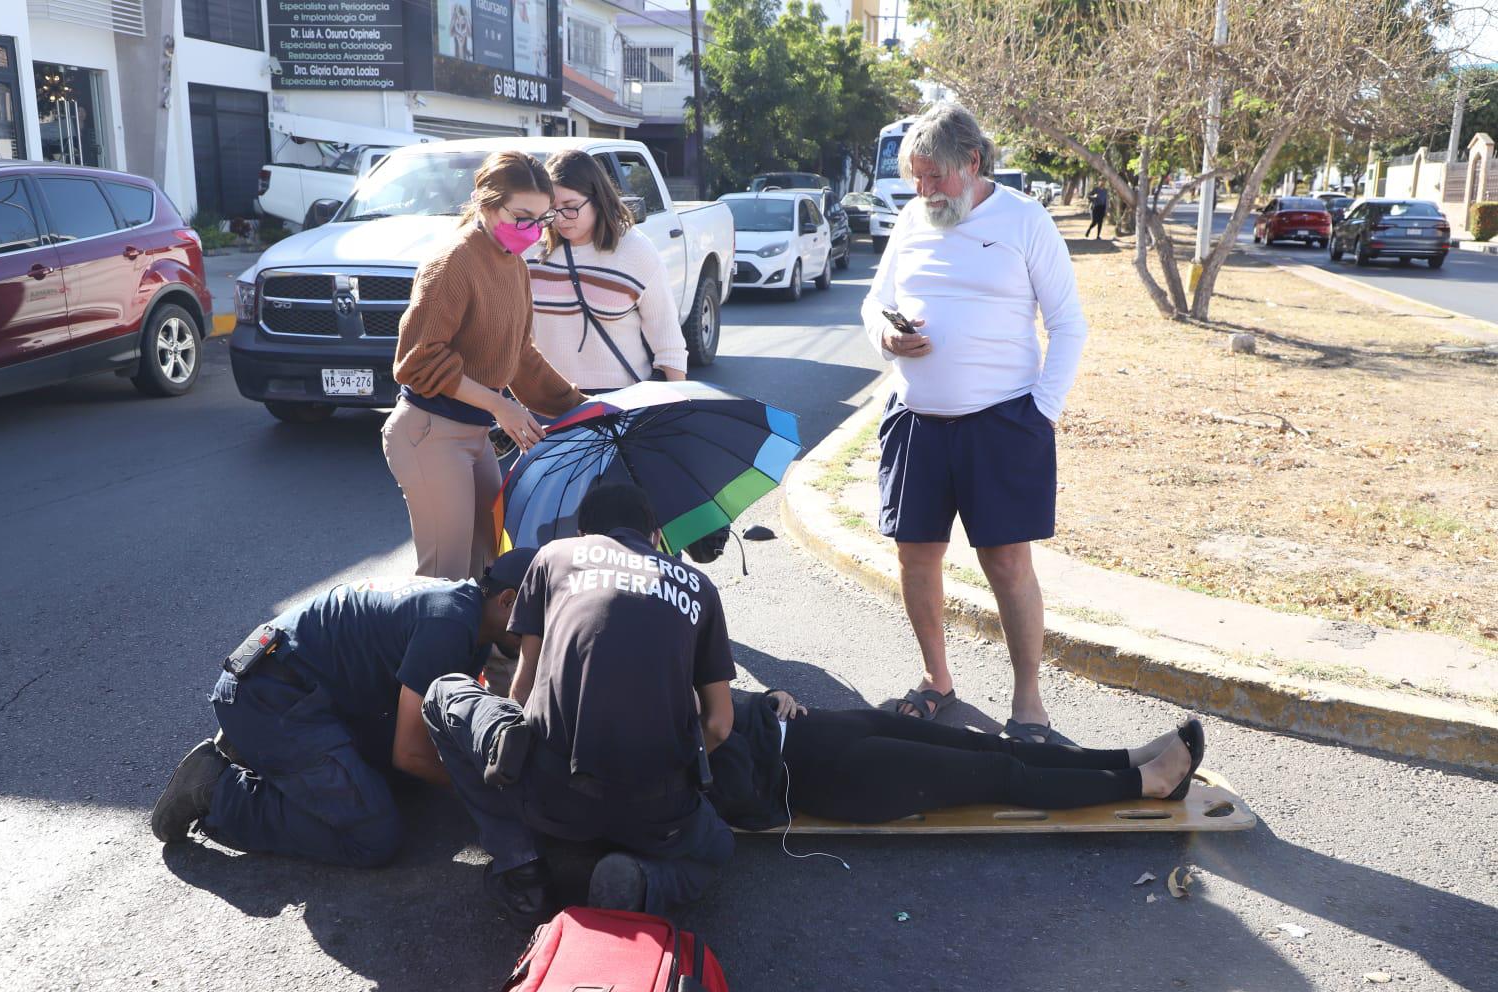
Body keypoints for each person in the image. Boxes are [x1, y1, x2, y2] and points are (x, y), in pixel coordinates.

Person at [862, 100, 1088, 744]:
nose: (925, 191)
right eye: (917, 178)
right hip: (916, 420)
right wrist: (885, 334)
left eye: (936, 177)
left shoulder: (1024, 219)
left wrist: (1042, 413)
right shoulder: (912, 218)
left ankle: (1028, 703)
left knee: (1007, 562)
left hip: (1003, 422)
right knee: (915, 559)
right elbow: (876, 300)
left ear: (974, 161)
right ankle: (937, 681)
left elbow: (1068, 324)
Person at [423, 482, 736, 928]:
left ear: (585, 531)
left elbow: (521, 689)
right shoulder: (699, 587)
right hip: (657, 810)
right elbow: (721, 725)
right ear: (653, 537)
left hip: (554, 797)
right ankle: (645, 882)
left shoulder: (553, 557)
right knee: (716, 847)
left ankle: (520, 862)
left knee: (443, 694)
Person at [150, 549, 538, 867]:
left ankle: (271, 757)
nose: (535, 643)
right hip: (268, 698)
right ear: (507, 601)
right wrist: (489, 795)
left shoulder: (466, 613)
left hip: (302, 690)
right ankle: (220, 791)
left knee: (408, 783)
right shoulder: (449, 624)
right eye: (535, 630)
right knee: (374, 837)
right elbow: (410, 753)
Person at [383, 150, 587, 583]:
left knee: (494, 566)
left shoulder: (513, 266)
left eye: (541, 219)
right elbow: (418, 360)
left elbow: (520, 356)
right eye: (522, 217)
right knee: (445, 580)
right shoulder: (453, 261)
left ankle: (481, 653)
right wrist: (501, 406)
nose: (533, 231)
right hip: (428, 432)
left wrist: (582, 408)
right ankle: (436, 652)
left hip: (474, 435)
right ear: (484, 202)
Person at [708, 690, 1205, 832]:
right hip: (833, 774)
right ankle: (1146, 782)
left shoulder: (666, 674)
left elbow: (732, 701)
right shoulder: (654, 744)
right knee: (1001, 775)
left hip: (823, 727)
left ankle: (1127, 757)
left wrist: (767, 697)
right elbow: (741, 802)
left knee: (994, 746)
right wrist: (730, 735)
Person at [528, 149, 688, 394]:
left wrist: (680, 406)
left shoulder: (635, 250)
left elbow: (667, 340)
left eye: (570, 207)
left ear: (597, 199)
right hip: (547, 400)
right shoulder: (531, 250)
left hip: (621, 400)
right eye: (552, 208)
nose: (560, 219)